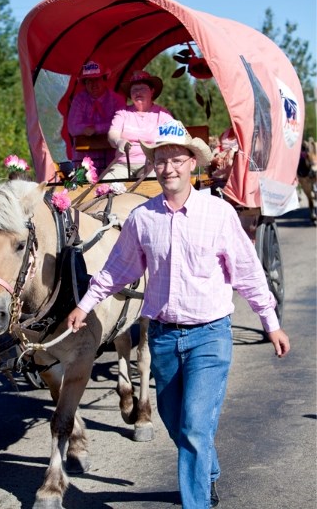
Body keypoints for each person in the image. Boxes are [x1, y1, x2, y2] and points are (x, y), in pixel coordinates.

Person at [67, 118, 290, 509]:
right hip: (164, 338)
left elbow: (249, 273)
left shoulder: (218, 215)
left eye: (176, 159)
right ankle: (208, 471)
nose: (168, 167)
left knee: (194, 426)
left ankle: (196, 502)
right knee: (176, 423)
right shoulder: (142, 218)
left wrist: (270, 322)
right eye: (161, 160)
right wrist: (84, 305)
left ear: (192, 164)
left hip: (209, 336)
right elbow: (117, 271)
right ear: (154, 165)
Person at [105, 70, 172, 179]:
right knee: (105, 184)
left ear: (152, 91)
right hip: (122, 165)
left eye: (142, 89)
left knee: (153, 181)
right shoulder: (122, 113)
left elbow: (172, 139)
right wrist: (118, 141)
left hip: (151, 164)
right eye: (134, 90)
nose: (138, 92)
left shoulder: (163, 114)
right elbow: (112, 134)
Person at [67, 60, 125, 169]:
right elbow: (72, 127)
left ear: (104, 79)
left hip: (112, 157)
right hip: (84, 158)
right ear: (84, 83)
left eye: (96, 79)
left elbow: (121, 125)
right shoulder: (79, 100)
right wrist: (85, 129)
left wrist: (96, 129)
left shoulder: (117, 100)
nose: (93, 84)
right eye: (89, 81)